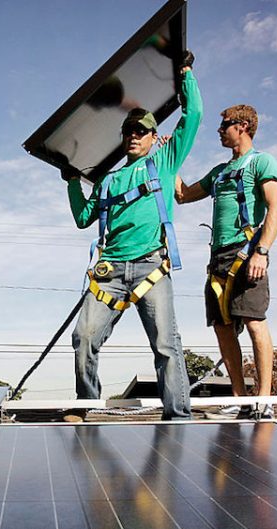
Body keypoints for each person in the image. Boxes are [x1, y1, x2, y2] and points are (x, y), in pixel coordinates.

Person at [62, 53, 201, 421]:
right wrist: (74, 181)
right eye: (129, 131)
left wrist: (185, 74)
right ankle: (87, 405)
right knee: (84, 337)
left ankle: (177, 416)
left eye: (142, 131)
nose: (134, 136)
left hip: (151, 267)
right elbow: (83, 218)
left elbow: (194, 117)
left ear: (155, 137)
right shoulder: (108, 180)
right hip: (110, 273)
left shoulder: (165, 161)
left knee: (166, 346)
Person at [175, 104, 277, 419]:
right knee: (223, 328)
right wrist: (169, 158)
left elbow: (276, 207)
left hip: (247, 250)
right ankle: (239, 398)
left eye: (224, 125)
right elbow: (182, 194)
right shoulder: (219, 171)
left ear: (244, 126)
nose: (219, 131)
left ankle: (263, 400)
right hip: (217, 258)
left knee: (254, 323)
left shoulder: (261, 162)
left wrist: (261, 251)